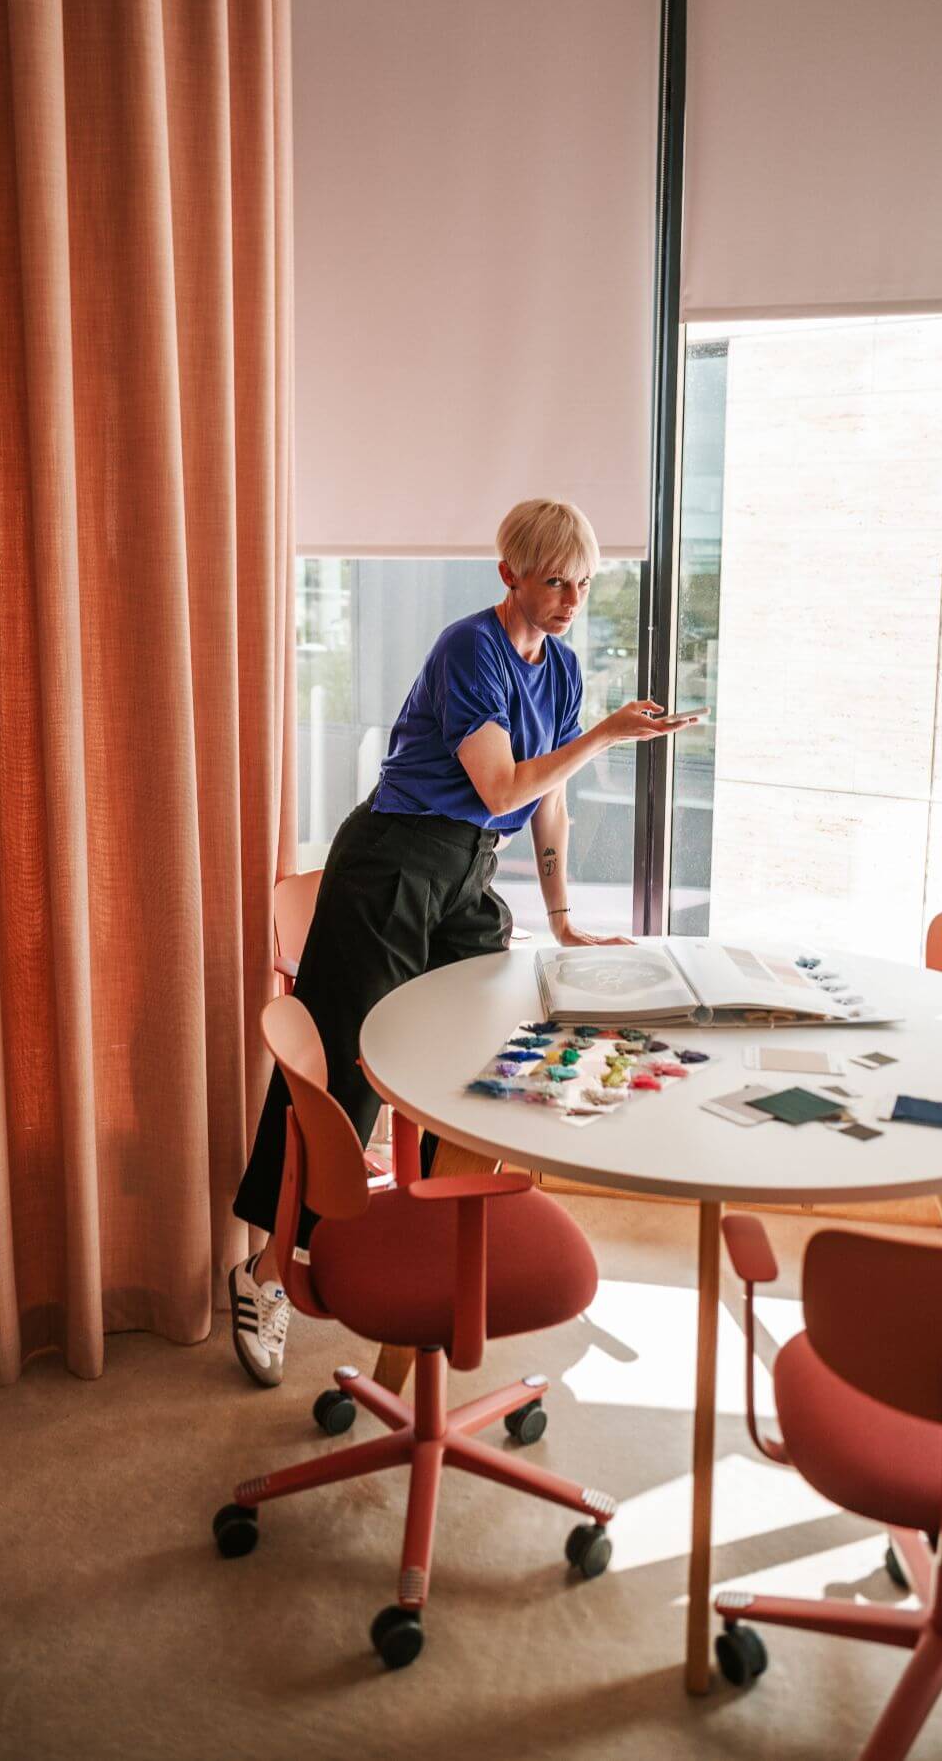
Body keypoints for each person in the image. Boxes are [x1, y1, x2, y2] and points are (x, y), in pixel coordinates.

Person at [228, 498, 702, 1385]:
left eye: (584, 583)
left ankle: (440, 1220)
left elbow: (546, 803)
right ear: (509, 574)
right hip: (392, 860)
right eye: (555, 581)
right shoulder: (468, 650)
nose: (572, 600)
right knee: (339, 1070)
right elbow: (500, 788)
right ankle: (267, 1270)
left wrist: (562, 917)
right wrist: (605, 735)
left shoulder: (561, 668)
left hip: (465, 870)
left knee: (492, 1038)